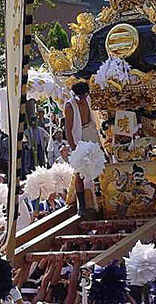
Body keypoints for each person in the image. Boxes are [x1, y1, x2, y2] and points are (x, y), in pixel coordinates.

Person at [64, 82, 100, 216]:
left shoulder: (88, 99)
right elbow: (68, 130)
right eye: (81, 97)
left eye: (85, 96)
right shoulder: (70, 105)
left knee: (98, 164)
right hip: (78, 138)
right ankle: (82, 205)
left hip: (90, 132)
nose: (84, 99)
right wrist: (73, 147)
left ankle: (99, 198)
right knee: (79, 172)